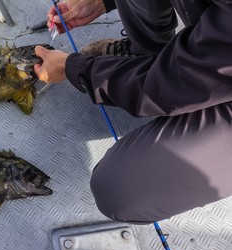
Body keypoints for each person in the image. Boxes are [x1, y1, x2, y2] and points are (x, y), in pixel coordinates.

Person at [34, 0, 232, 224]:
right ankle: (145, 55)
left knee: (118, 189)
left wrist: (74, 69)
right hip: (218, 46)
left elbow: (163, 86)